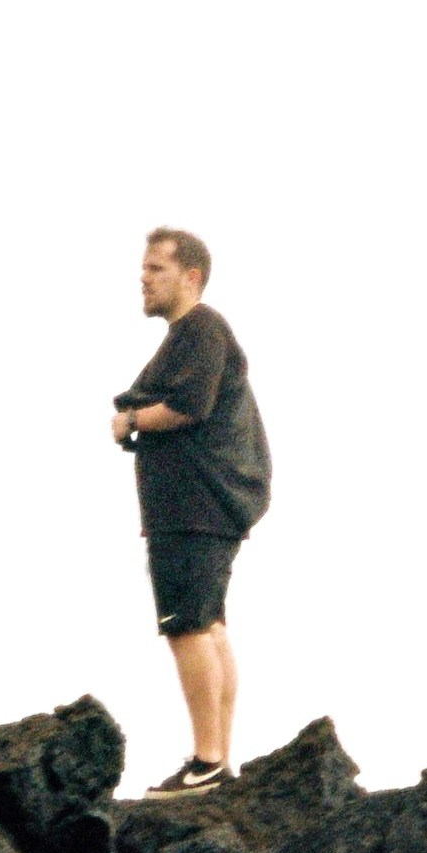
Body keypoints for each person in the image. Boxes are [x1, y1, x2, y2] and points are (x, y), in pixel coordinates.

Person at [110, 226, 270, 793]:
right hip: (204, 504)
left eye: (156, 268)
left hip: (194, 505)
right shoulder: (195, 333)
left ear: (191, 276)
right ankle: (218, 762)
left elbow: (187, 405)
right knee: (209, 626)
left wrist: (130, 420)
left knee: (187, 627)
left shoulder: (200, 328)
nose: (143, 278)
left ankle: (205, 763)